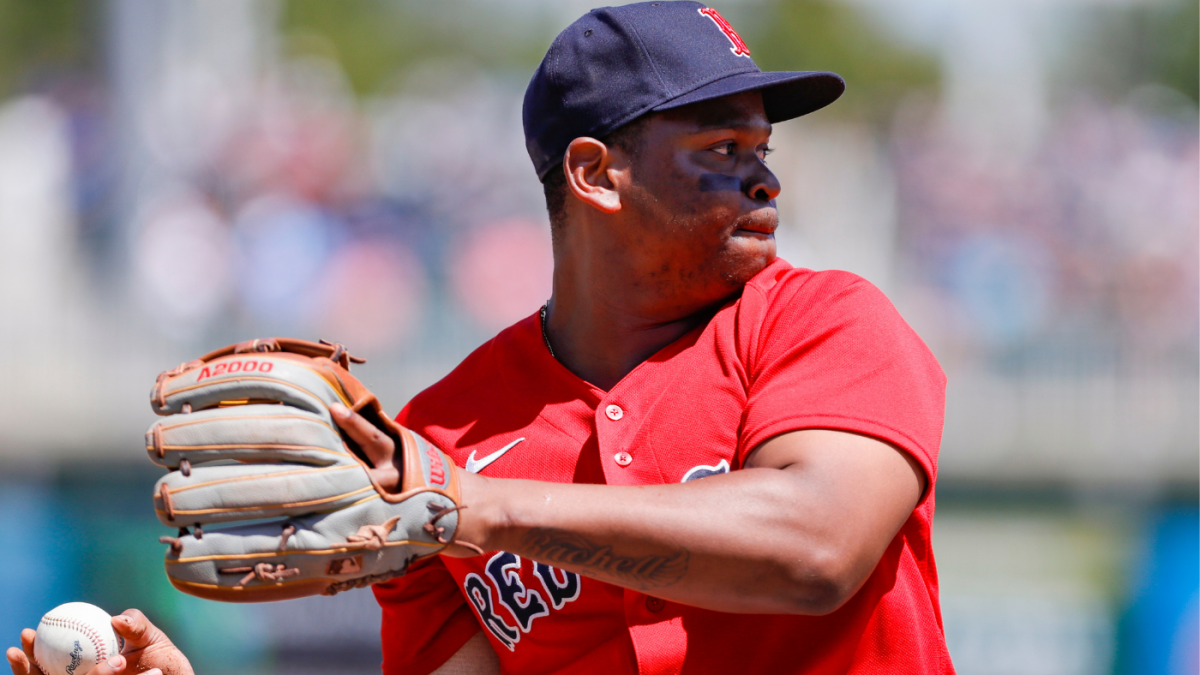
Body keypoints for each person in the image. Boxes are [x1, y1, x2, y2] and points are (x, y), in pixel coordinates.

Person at [9, 2, 951, 674]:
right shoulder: (437, 438)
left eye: (763, 152)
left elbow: (816, 551)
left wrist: (476, 508)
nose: (765, 183)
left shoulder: (823, 321)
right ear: (596, 173)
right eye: (721, 151)